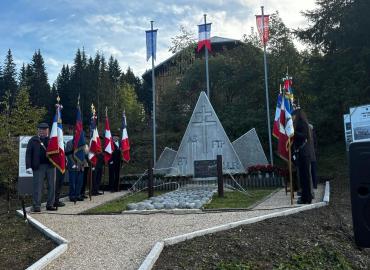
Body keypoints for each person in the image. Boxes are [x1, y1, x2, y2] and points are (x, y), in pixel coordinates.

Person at [26, 122, 57, 212]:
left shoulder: (52, 140)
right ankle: (36, 206)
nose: (42, 132)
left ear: (48, 131)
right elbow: (28, 154)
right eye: (40, 130)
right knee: (38, 186)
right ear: (38, 131)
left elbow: (57, 152)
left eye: (44, 130)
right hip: (38, 166)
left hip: (51, 166)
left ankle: (50, 204)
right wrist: (28, 166)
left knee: (52, 186)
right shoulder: (33, 140)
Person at [292, 109, 312, 204]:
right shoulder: (299, 123)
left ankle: (307, 198)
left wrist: (293, 132)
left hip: (304, 152)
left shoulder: (302, 123)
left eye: (294, 115)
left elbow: (303, 136)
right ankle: (305, 196)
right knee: (303, 177)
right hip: (301, 152)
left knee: (305, 177)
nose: (293, 117)